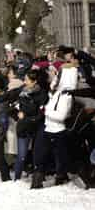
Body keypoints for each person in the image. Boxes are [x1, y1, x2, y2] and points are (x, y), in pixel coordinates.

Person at [32, 57, 79, 189]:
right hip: (49, 128)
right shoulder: (57, 92)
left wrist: (46, 110)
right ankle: (39, 180)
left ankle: (61, 177)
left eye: (58, 74)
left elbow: (61, 116)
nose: (55, 76)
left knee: (60, 156)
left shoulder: (66, 95)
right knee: (42, 155)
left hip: (58, 130)